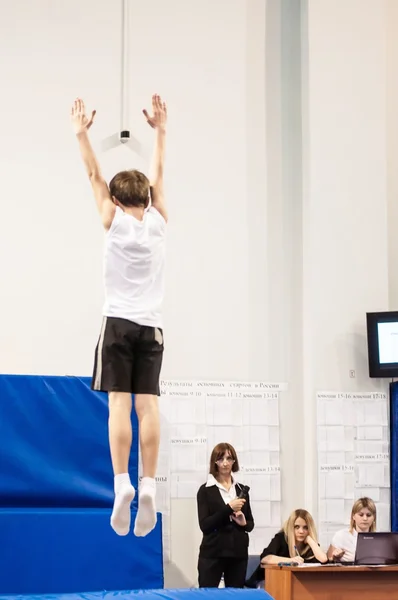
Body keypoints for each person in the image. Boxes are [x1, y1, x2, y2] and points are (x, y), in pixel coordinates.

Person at [70, 94, 168, 538]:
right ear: (147, 199)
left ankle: (122, 483)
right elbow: (160, 176)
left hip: (117, 324)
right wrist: (160, 131)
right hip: (151, 327)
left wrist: (81, 132)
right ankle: (149, 482)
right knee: (148, 407)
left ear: (114, 196)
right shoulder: (157, 223)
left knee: (118, 405)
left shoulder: (112, 219)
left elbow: (93, 173)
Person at [196, 442, 254, 588]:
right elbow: (205, 525)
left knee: (236, 596)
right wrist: (229, 508)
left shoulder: (241, 489)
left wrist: (243, 523)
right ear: (214, 462)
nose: (225, 463)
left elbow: (250, 523)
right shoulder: (205, 490)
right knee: (207, 596)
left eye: (229, 459)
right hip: (213, 553)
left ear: (234, 461)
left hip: (238, 553)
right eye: (220, 459)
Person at [246, 509, 327, 587]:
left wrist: (310, 540)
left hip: (295, 583)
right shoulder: (281, 538)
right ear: (291, 527)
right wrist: (290, 561)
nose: (301, 531)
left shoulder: (310, 545)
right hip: (265, 580)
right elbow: (265, 558)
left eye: (305, 528)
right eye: (297, 527)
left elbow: (323, 559)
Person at [327, 497, 377, 562]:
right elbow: (328, 560)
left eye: (368, 515)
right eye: (361, 515)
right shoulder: (341, 536)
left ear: (374, 517)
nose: (365, 518)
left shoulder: (379, 539)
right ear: (353, 516)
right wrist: (335, 557)